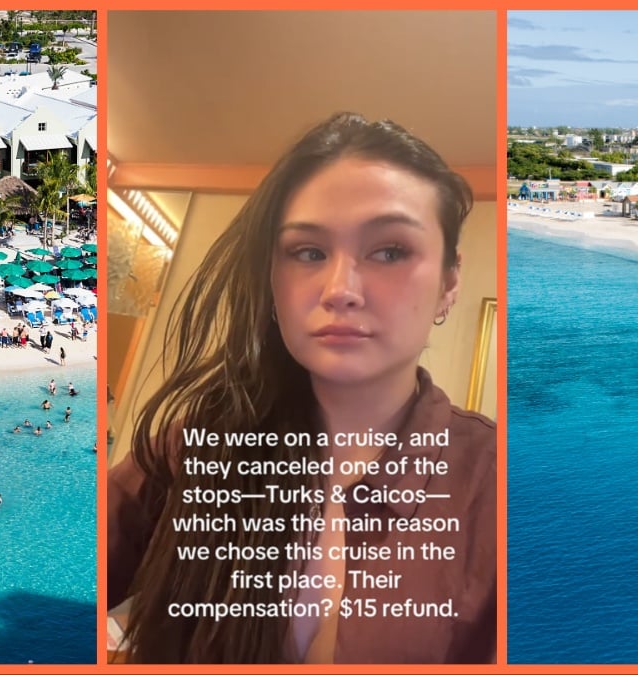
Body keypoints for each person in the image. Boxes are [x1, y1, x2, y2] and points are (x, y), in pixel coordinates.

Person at [107, 113, 496, 664]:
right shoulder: (196, 446)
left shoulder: (500, 485)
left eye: (389, 251)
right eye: (308, 253)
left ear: (448, 283)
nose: (340, 290)